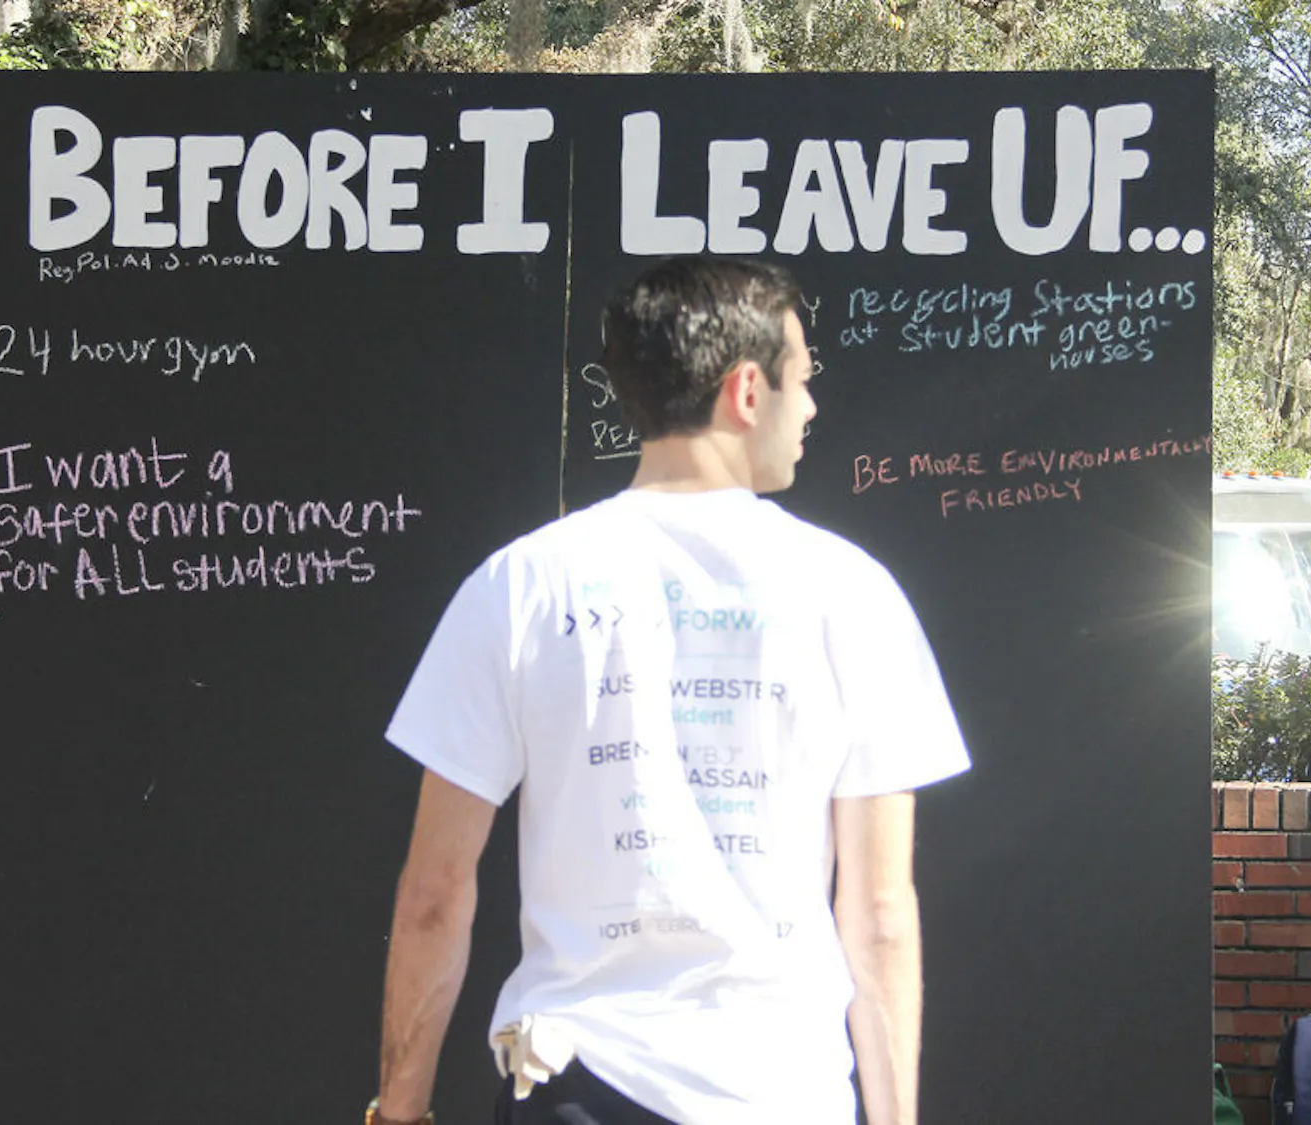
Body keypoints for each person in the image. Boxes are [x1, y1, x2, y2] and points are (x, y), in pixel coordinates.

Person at [371, 256, 970, 1125]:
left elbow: (433, 892)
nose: (811, 407)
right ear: (747, 392)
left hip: (577, 1082)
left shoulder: (520, 586)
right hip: (784, 1095)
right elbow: (878, 913)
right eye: (802, 379)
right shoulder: (852, 592)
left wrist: (399, 1112)